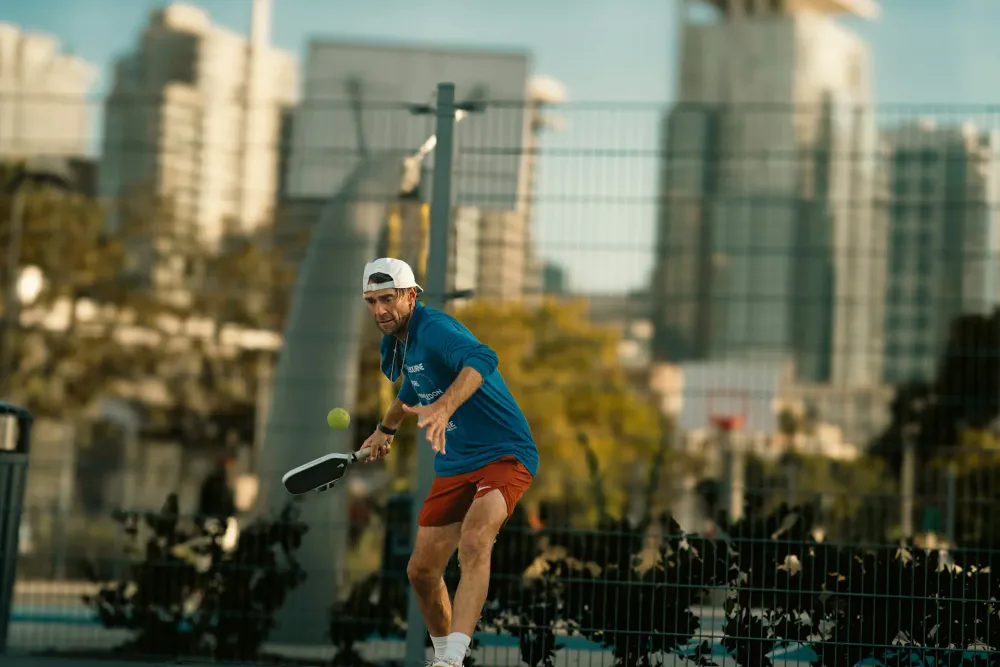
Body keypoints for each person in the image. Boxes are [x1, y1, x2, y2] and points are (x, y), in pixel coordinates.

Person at [359, 257, 538, 667]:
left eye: (387, 299)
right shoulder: (399, 342)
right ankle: (445, 659)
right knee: (420, 573)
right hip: (455, 464)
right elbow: (413, 385)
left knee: (476, 539)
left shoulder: (436, 328)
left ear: (410, 295)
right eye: (371, 301)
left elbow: (484, 357)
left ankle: (454, 658)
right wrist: (386, 429)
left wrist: (445, 405)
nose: (379, 310)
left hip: (504, 454)